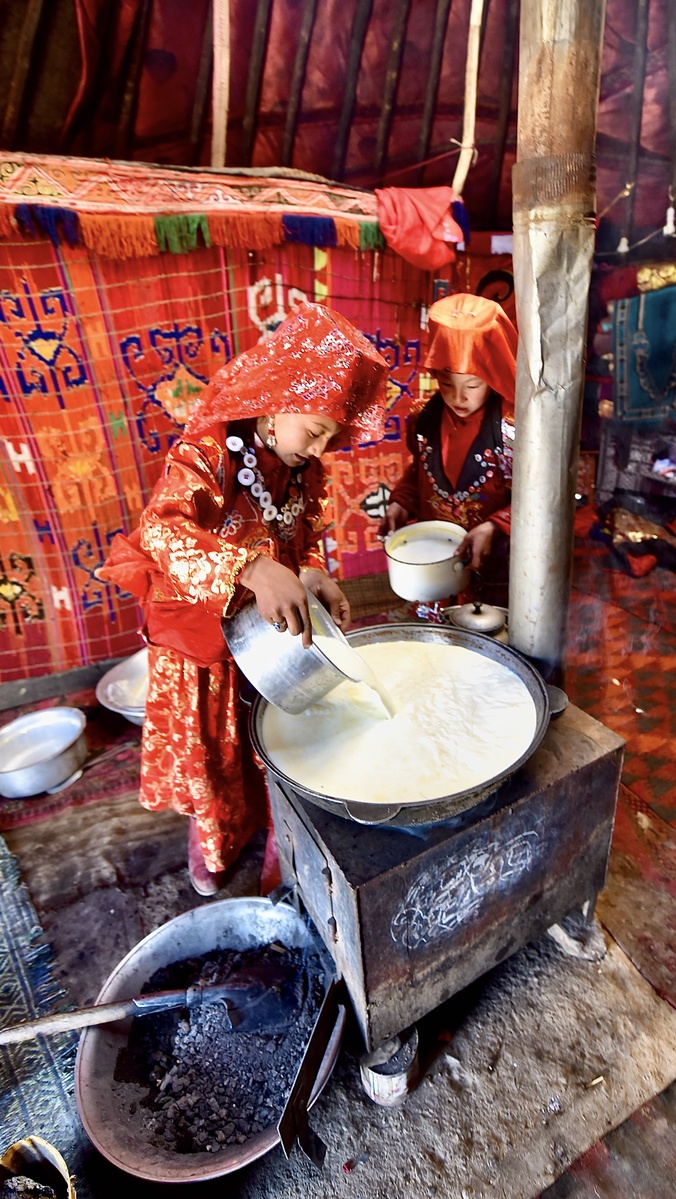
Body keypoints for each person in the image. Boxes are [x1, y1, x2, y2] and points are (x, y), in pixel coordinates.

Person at [99, 302, 389, 895]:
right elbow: (160, 531)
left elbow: (300, 535)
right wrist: (252, 568)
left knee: (274, 750)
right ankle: (216, 853)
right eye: (314, 431)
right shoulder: (210, 448)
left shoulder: (304, 468)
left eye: (330, 438)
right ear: (280, 398)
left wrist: (308, 572)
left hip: (261, 637)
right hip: (198, 637)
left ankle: (281, 853)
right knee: (217, 763)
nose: (318, 447)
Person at [378, 292, 518, 607]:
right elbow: (419, 474)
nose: (458, 398)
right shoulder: (423, 420)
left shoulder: (513, 429)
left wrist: (496, 525)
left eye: (472, 385)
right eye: (446, 383)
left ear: (492, 376)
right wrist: (400, 503)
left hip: (495, 573)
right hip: (434, 570)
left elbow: (540, 496)